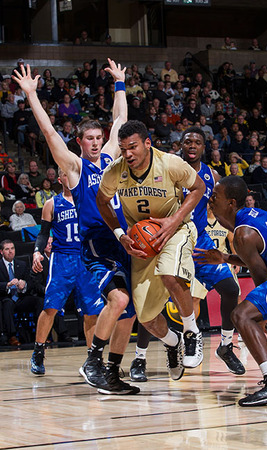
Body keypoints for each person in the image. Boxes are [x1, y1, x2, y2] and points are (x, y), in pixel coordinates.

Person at [13, 60, 139, 395]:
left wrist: (120, 84)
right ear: (80, 141)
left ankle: (110, 371)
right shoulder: (75, 167)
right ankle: (91, 360)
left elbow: (120, 121)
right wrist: (31, 95)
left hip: (121, 241)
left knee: (127, 314)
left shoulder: (112, 158)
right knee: (117, 299)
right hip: (94, 245)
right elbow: (49, 133)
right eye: (89, 138)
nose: (96, 143)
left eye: (99, 138)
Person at [97, 120, 206, 381]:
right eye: (123, 149)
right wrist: (120, 234)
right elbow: (101, 201)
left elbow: (198, 188)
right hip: (143, 242)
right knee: (145, 317)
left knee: (170, 275)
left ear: (147, 143)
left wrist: (175, 220)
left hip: (176, 230)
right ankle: (172, 342)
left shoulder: (170, 163)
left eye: (132, 147)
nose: (128, 154)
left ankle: (191, 332)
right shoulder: (115, 171)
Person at [195, 175, 267, 406]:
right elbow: (256, 257)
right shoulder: (254, 217)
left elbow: (260, 275)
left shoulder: (242, 233)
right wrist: (224, 258)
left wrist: (260, 314)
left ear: (231, 203)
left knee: (242, 315)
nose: (210, 200)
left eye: (216, 196)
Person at [180, 127, 244, 375]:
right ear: (181, 145)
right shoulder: (170, 169)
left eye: (197, 142)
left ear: (203, 147)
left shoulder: (212, 176)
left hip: (201, 242)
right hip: (173, 240)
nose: (192, 145)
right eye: (188, 141)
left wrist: (238, 236)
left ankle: (226, 345)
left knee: (231, 289)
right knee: (159, 297)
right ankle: (141, 356)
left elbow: (222, 212)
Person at [30, 169, 103, 375]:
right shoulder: (52, 204)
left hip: (86, 258)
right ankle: (38, 351)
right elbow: (43, 234)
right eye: (65, 174)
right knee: (50, 307)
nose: (69, 178)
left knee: (91, 311)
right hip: (62, 259)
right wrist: (37, 252)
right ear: (60, 178)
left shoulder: (89, 200)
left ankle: (93, 358)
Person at [0, 239, 44, 347]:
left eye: (12, 248)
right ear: (1, 252)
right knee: (7, 304)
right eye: (7, 249)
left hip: (20, 297)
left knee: (38, 301)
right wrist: (7, 285)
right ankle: (12, 336)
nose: (10, 251)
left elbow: (31, 282)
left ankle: (40, 335)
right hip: (6, 297)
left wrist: (24, 285)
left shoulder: (22, 264)